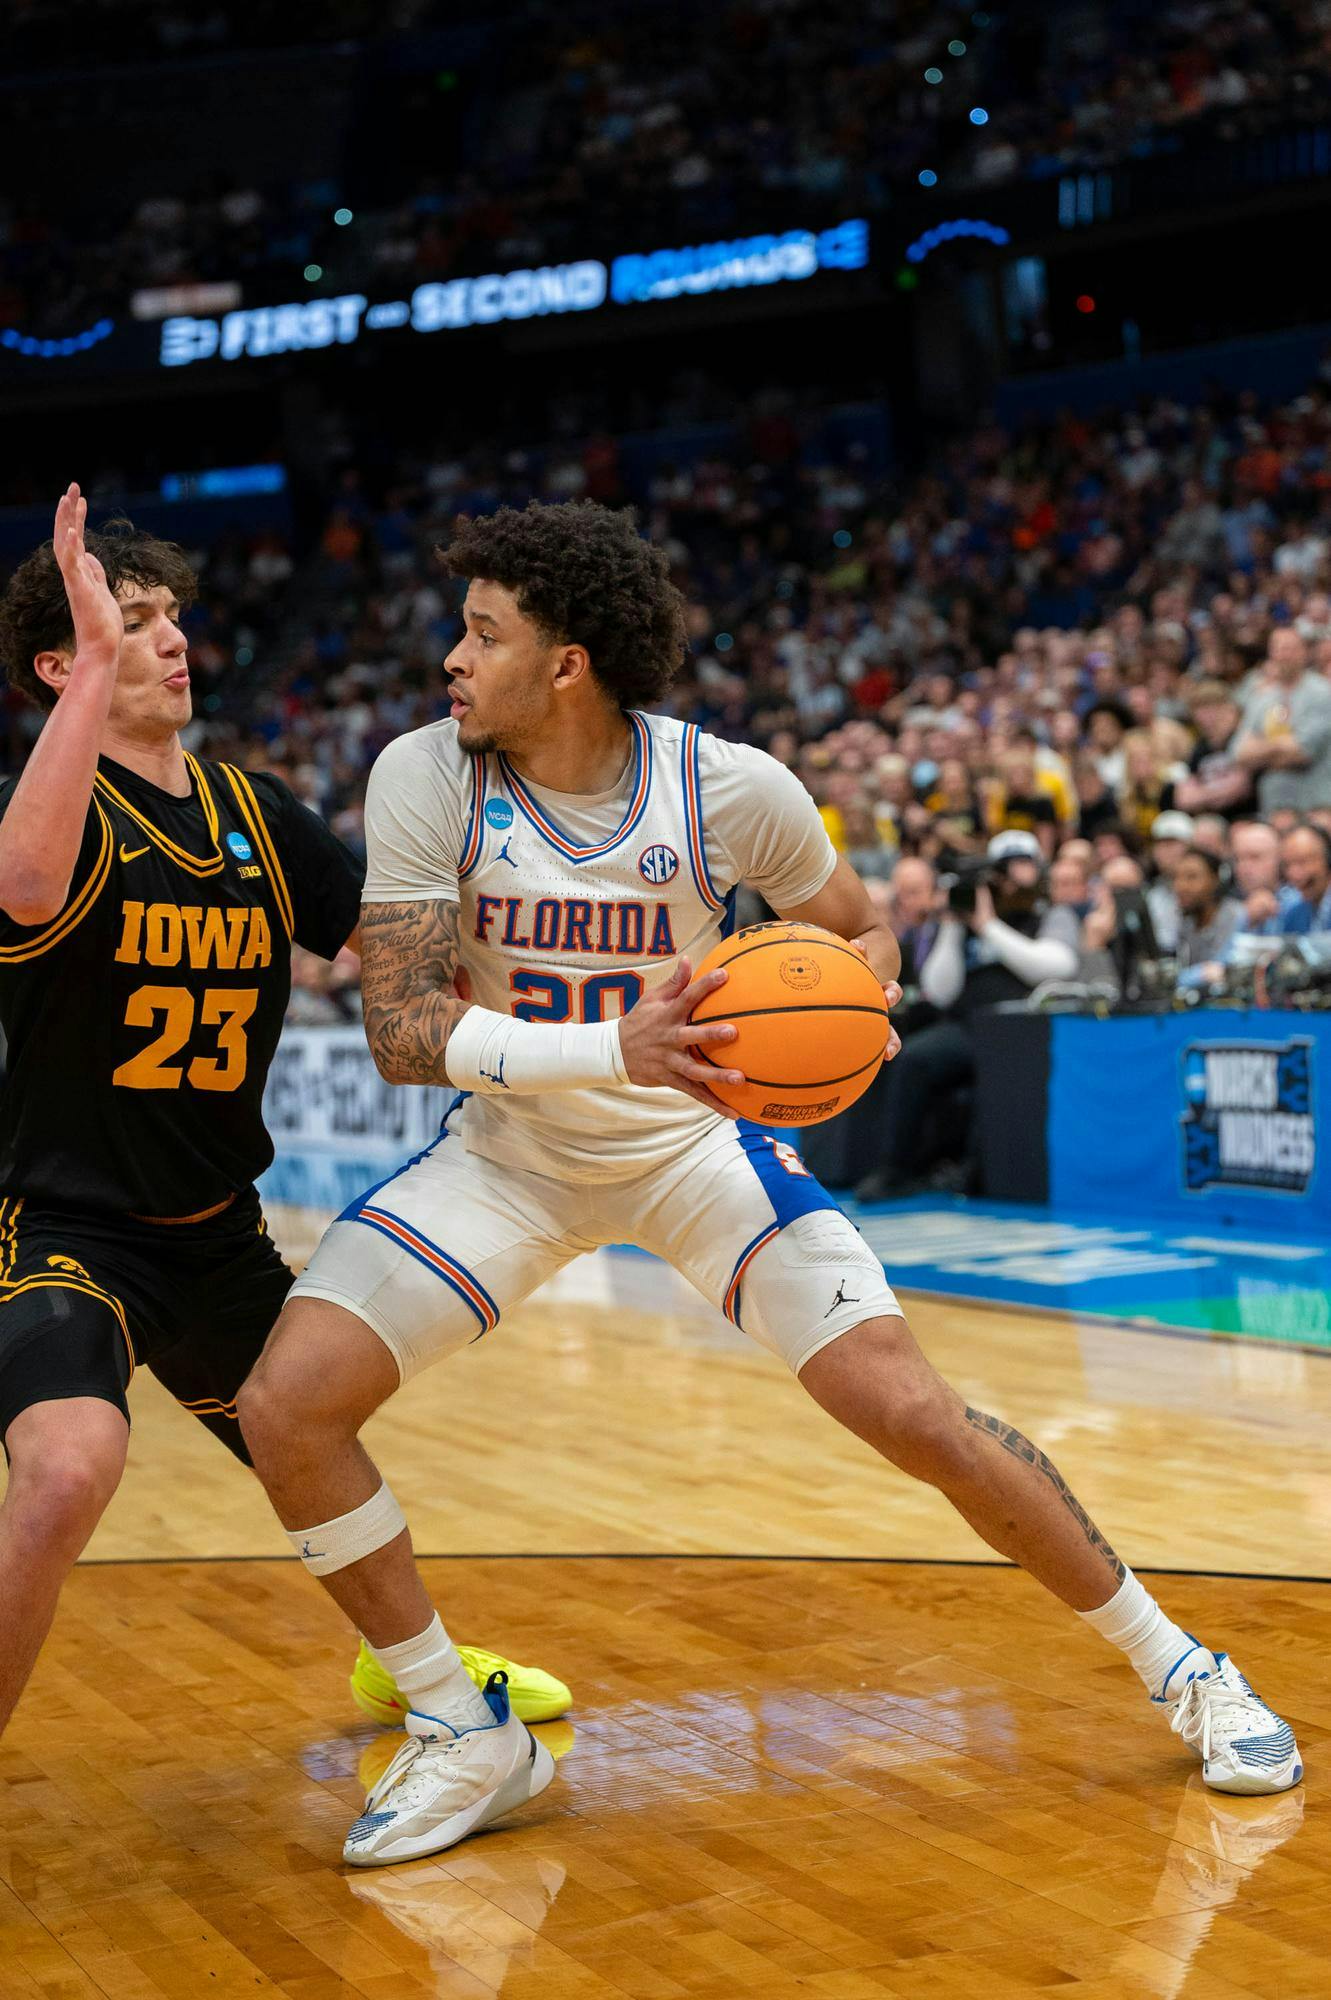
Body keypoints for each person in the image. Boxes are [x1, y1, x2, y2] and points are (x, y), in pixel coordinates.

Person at [230, 502, 1300, 1869]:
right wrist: (611, 1046)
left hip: (694, 1146)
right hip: (511, 1155)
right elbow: (399, 1030)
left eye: (482, 634)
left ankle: (1183, 1666)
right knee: (287, 1406)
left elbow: (865, 932)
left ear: (566, 664)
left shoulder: (725, 785)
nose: (452, 657)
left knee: (913, 1415)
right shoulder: (425, 772)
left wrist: (848, 1015)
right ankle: (457, 1722)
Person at [0, 489, 567, 1745]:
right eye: (128, 620)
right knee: (68, 1467)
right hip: (67, 1231)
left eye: (169, 615)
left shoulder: (255, 814)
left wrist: (587, 988)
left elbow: (413, 957)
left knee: (313, 1438)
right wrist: (91, 665)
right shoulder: (42, 813)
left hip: (217, 1233)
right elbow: (25, 888)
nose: (168, 637)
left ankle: (412, 1668)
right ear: (58, 662)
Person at [1232, 628, 1331, 813]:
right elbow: (1239, 753)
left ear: (1304, 652)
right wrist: (1281, 746)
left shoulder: (1322, 692)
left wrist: (1260, 750)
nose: (1283, 655)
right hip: (1273, 805)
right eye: (1277, 649)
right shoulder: (1261, 697)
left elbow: (1302, 751)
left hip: (1317, 804)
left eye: (1289, 648)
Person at [1281, 821, 1331, 932]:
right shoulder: (1294, 915)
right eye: (1287, 865)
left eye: (1302, 862)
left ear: (1327, 860)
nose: (1294, 875)